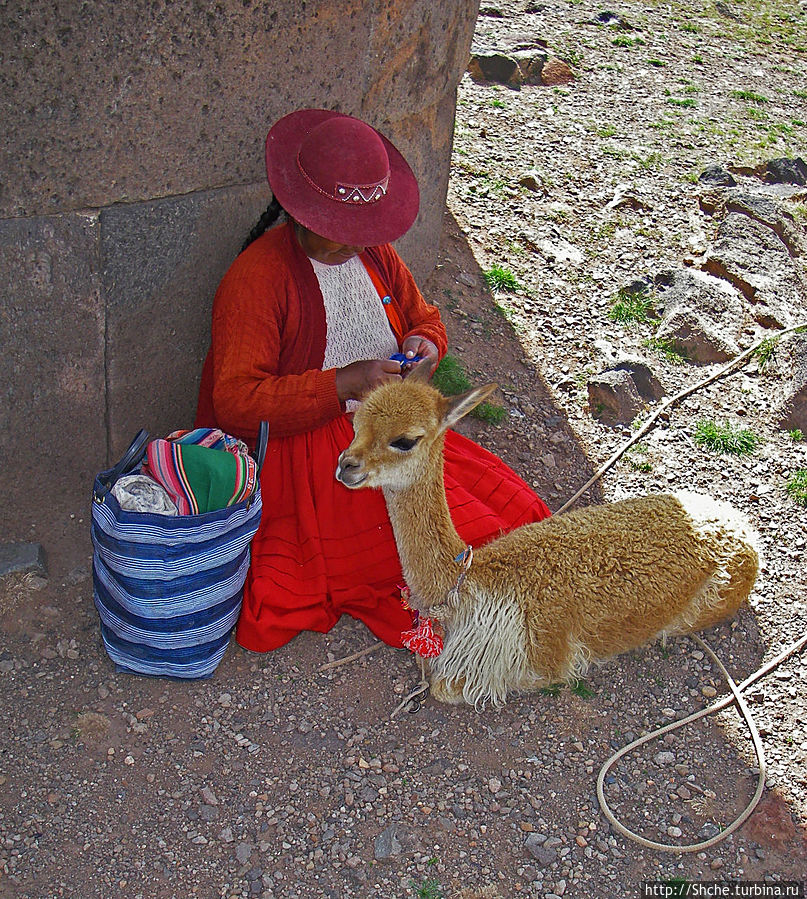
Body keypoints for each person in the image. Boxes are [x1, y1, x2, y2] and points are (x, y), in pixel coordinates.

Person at [195, 108, 551, 653]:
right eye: (341, 235)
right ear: (301, 214)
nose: (354, 246)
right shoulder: (258, 280)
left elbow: (422, 316)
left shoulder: (375, 253)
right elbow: (236, 403)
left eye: (362, 234)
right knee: (417, 562)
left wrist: (425, 344)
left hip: (389, 432)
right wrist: (342, 384)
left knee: (506, 524)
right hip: (311, 448)